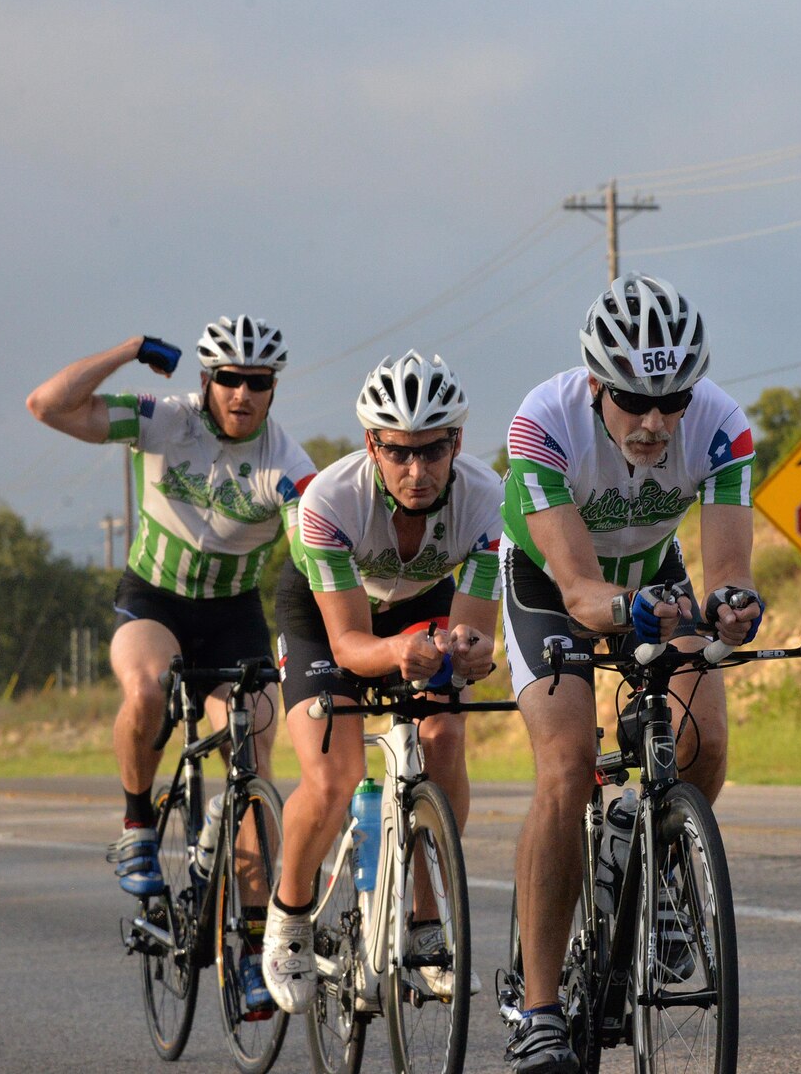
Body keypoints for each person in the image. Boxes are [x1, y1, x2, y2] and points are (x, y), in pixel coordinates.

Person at [500, 273, 762, 1074]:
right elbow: (580, 592)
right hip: (553, 585)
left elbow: (726, 571)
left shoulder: (720, 427)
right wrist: (635, 612)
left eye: (671, 401)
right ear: (595, 384)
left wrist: (732, 608)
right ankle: (539, 1007)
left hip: (654, 573)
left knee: (705, 744)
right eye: (633, 401)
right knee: (569, 766)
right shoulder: (542, 427)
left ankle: (659, 857)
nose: (654, 422)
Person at [25, 316, 315, 1013]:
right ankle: (135, 827)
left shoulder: (287, 462)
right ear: (207, 381)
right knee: (151, 687)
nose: (242, 394)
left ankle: (250, 950)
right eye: (229, 379)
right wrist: (126, 351)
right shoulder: (164, 420)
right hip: (152, 600)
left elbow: (316, 553)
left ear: (274, 390)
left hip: (232, 614)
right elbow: (47, 405)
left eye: (259, 382)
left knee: (252, 756)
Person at [257, 349, 503, 1014]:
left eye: (432, 451)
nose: (416, 471)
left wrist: (468, 652)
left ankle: (427, 919)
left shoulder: (486, 500)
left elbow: (477, 633)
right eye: (398, 453)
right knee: (333, 775)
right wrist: (400, 652)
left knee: (444, 733)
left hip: (422, 606)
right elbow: (347, 644)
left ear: (458, 442)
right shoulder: (329, 501)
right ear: (372, 444)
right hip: (329, 614)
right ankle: (289, 915)